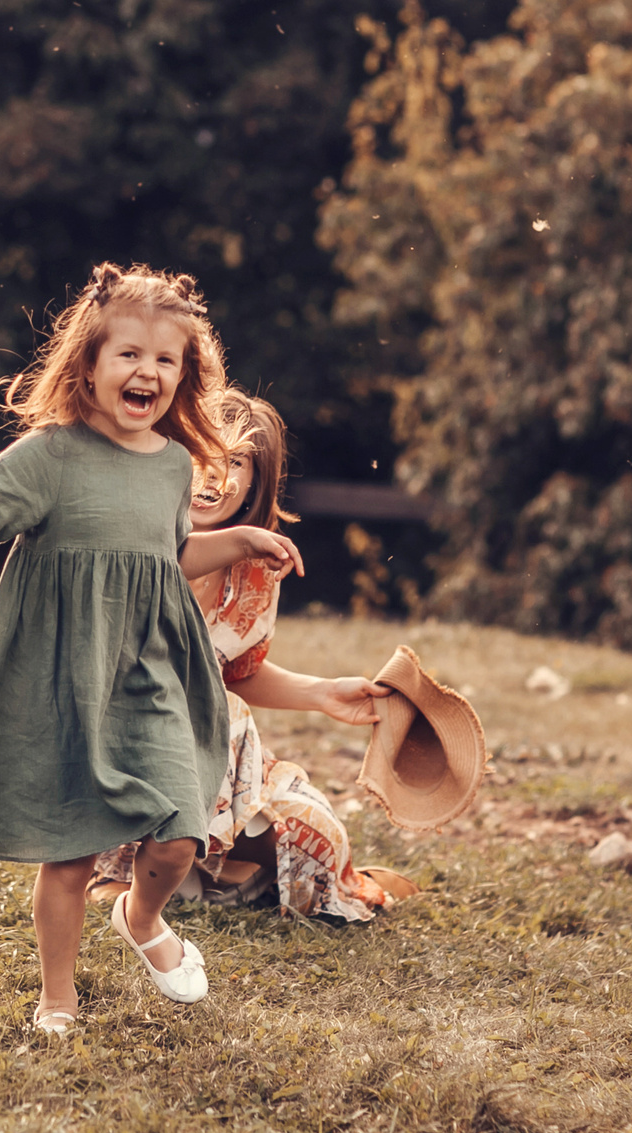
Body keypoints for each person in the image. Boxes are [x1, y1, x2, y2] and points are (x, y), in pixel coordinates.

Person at [0, 263, 302, 1035]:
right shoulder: (51, 455)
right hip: (66, 674)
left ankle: (142, 918)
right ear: (89, 363)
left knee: (181, 830)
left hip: (147, 670)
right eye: (129, 354)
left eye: (165, 359)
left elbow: (160, 558)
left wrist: (238, 537)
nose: (147, 370)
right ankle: (57, 995)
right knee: (71, 850)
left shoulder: (176, 465)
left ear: (185, 374)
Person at [93, 390, 420, 921]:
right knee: (219, 717)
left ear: (255, 480)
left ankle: (213, 878)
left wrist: (323, 693)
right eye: (201, 448)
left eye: (237, 461)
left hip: (209, 757)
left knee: (318, 835)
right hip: (124, 738)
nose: (215, 473)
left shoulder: (254, 569)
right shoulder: (127, 540)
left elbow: (237, 673)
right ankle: (131, 868)